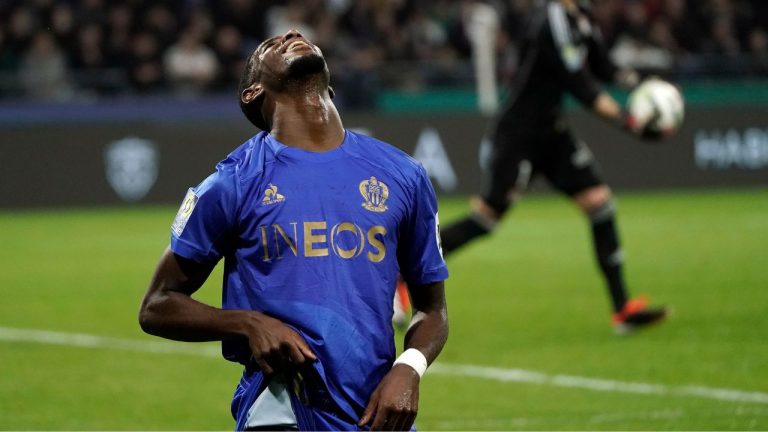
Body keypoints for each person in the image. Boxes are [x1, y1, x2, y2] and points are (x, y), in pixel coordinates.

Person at [139, 29, 449, 431]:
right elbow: (157, 305)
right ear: (253, 92)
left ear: (330, 89)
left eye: (297, 36)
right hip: (282, 409)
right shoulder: (232, 183)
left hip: (377, 413)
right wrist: (248, 323)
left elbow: (433, 308)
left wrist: (409, 368)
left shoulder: (404, 175)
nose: (290, 34)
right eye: (269, 45)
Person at [440, 0, 668, 334]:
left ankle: (622, 311)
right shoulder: (552, 20)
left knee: (599, 204)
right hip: (518, 134)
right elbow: (579, 84)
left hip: (551, 133)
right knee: (487, 219)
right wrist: (628, 121)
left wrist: (642, 87)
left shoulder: (582, 20)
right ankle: (403, 273)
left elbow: (604, 69)